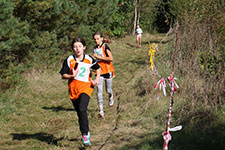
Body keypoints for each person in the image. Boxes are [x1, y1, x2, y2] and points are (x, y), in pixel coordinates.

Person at [59, 37, 100, 146]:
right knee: (80, 112)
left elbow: (98, 68)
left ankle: (84, 135)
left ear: (84, 47)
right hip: (73, 89)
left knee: (82, 108)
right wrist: (71, 75)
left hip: (86, 87)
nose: (77, 49)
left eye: (79, 46)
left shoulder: (89, 59)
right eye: (75, 47)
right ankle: (86, 130)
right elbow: (63, 75)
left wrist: (97, 79)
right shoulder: (69, 60)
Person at [93, 31, 115, 118]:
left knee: (108, 90)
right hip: (99, 71)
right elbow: (96, 60)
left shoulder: (105, 46)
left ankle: (111, 96)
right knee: (99, 91)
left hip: (108, 70)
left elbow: (111, 58)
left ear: (101, 39)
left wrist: (99, 57)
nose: (96, 41)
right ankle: (101, 111)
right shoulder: (95, 48)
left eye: (98, 39)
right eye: (95, 39)